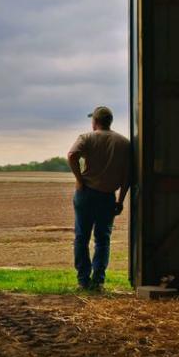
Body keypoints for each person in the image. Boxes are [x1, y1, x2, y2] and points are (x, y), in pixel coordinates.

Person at [66, 106, 131, 291]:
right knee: (103, 239)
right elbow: (127, 176)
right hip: (108, 197)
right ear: (110, 121)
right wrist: (120, 200)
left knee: (81, 237)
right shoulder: (124, 143)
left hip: (86, 193)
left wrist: (79, 179)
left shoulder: (86, 137)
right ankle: (99, 281)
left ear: (95, 121)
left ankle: (83, 280)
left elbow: (72, 155)